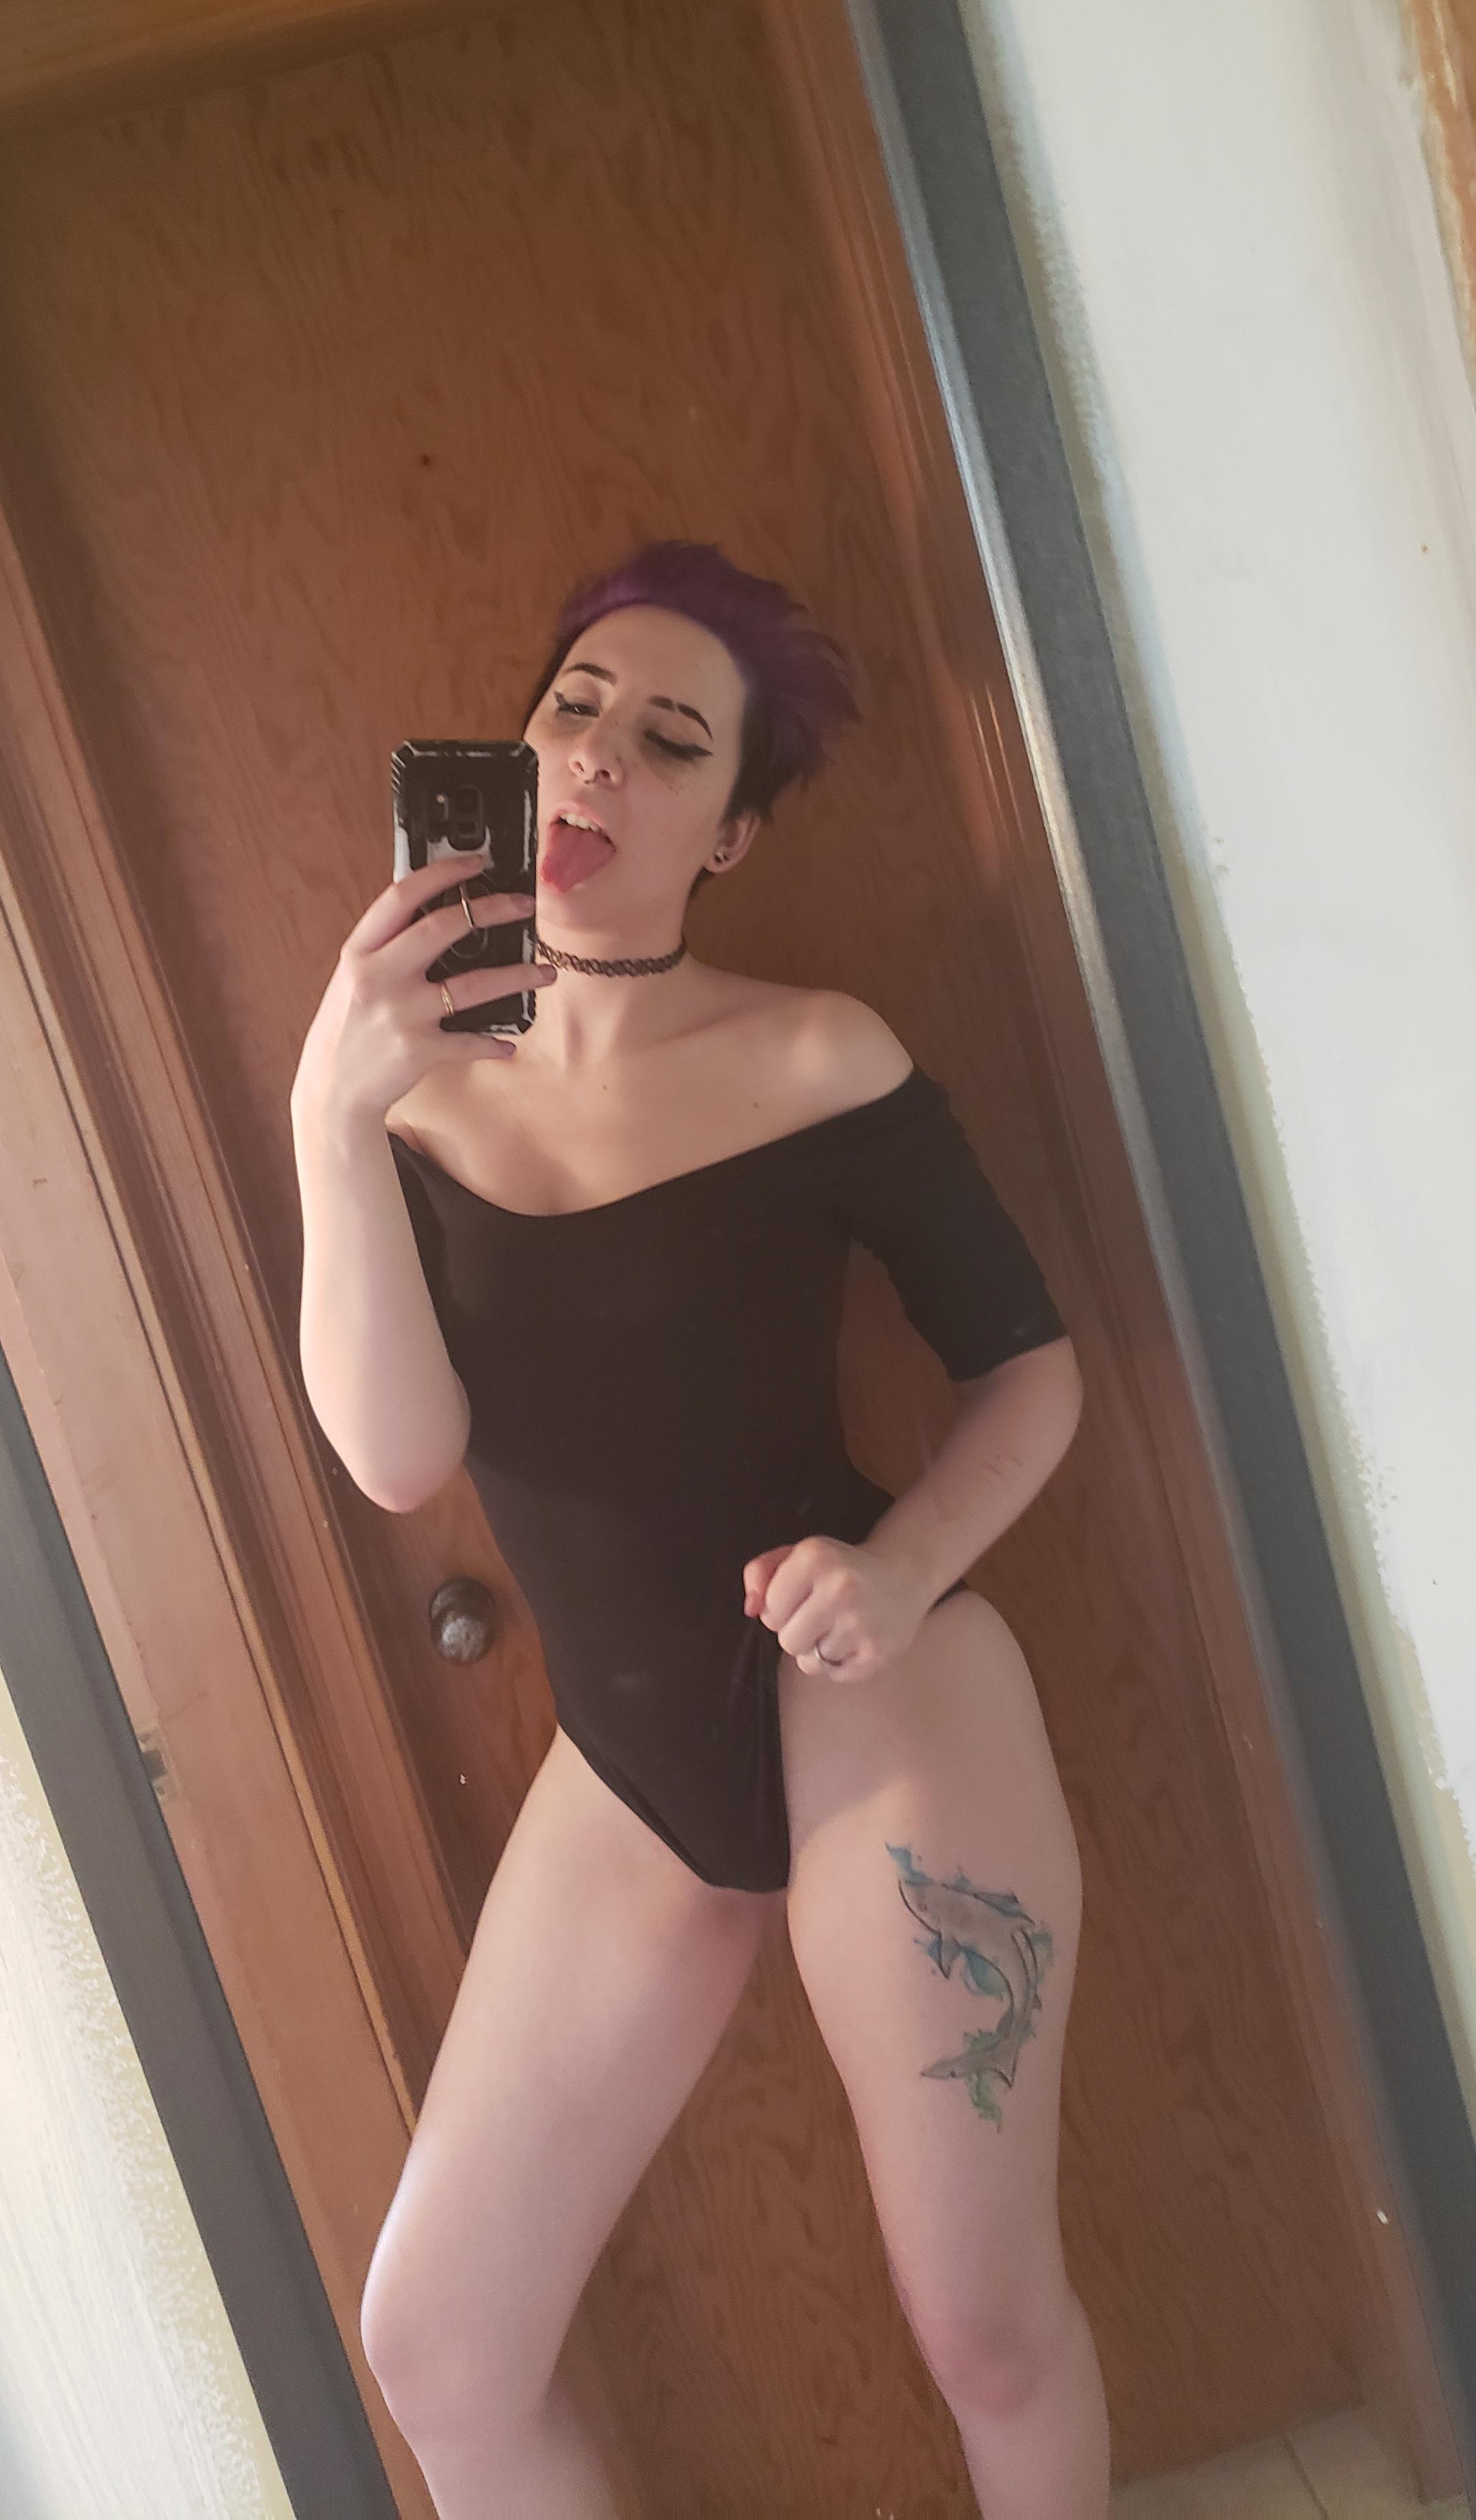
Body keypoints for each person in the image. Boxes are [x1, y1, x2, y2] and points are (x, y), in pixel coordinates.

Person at [290, 540, 1108, 2517]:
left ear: (729, 833)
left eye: (670, 743)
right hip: (634, 1756)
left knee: (983, 2321)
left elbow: (1032, 1369)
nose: (597, 761)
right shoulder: (407, 1103)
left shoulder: (815, 1056)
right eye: (571, 710)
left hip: (880, 1694)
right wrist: (330, 1116)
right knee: (438, 2347)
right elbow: (398, 1461)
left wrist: (905, 1565)